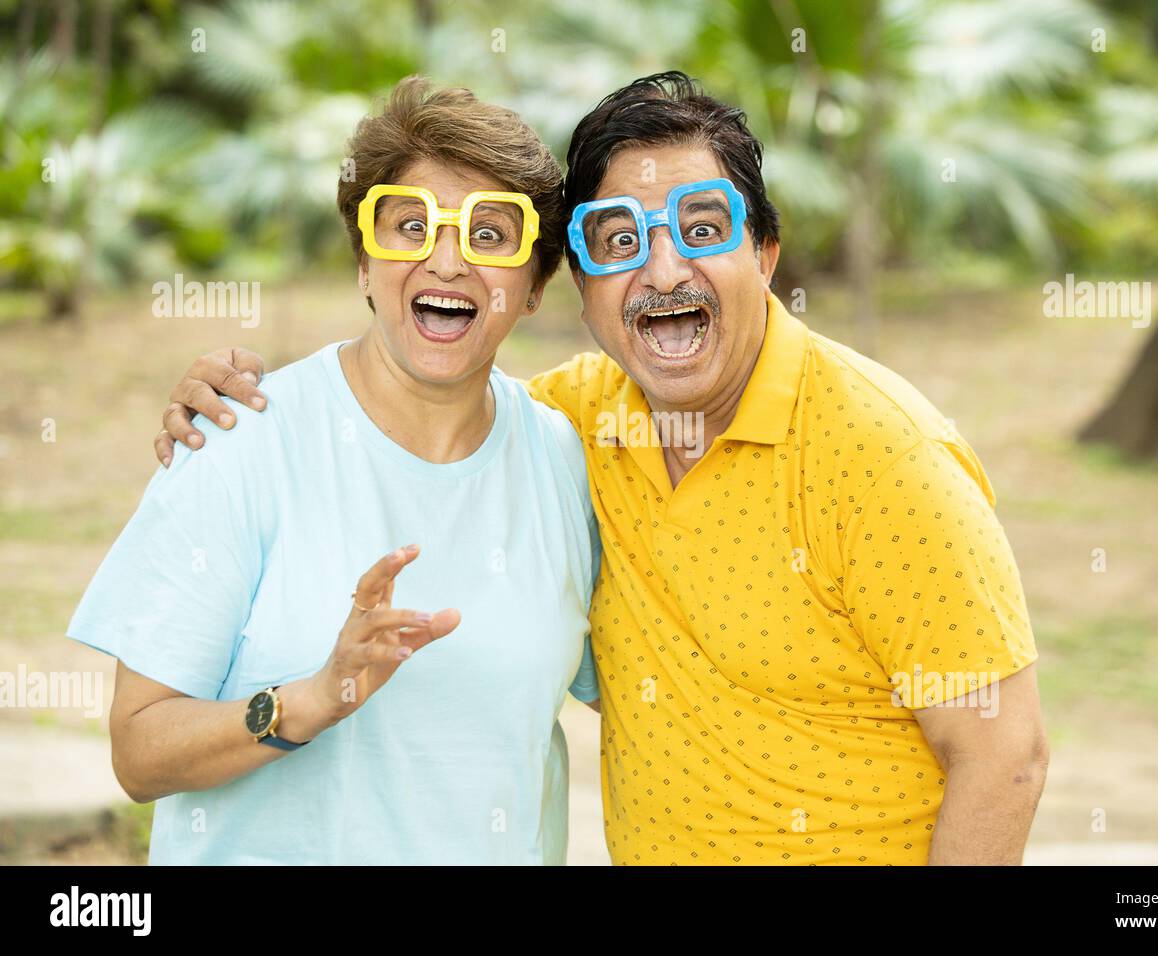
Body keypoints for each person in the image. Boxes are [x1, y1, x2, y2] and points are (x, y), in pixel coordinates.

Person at [153, 73, 1050, 865]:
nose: (664, 268)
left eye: (703, 227)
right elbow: (427, 392)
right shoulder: (571, 425)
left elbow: (1004, 756)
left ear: (766, 255)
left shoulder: (885, 455)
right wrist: (242, 401)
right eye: (618, 240)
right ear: (579, 286)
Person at [68, 78, 600, 865]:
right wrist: (310, 701)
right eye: (410, 226)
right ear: (364, 261)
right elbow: (139, 751)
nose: (446, 260)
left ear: (534, 286)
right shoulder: (241, 440)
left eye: (491, 235)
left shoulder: (566, 460)